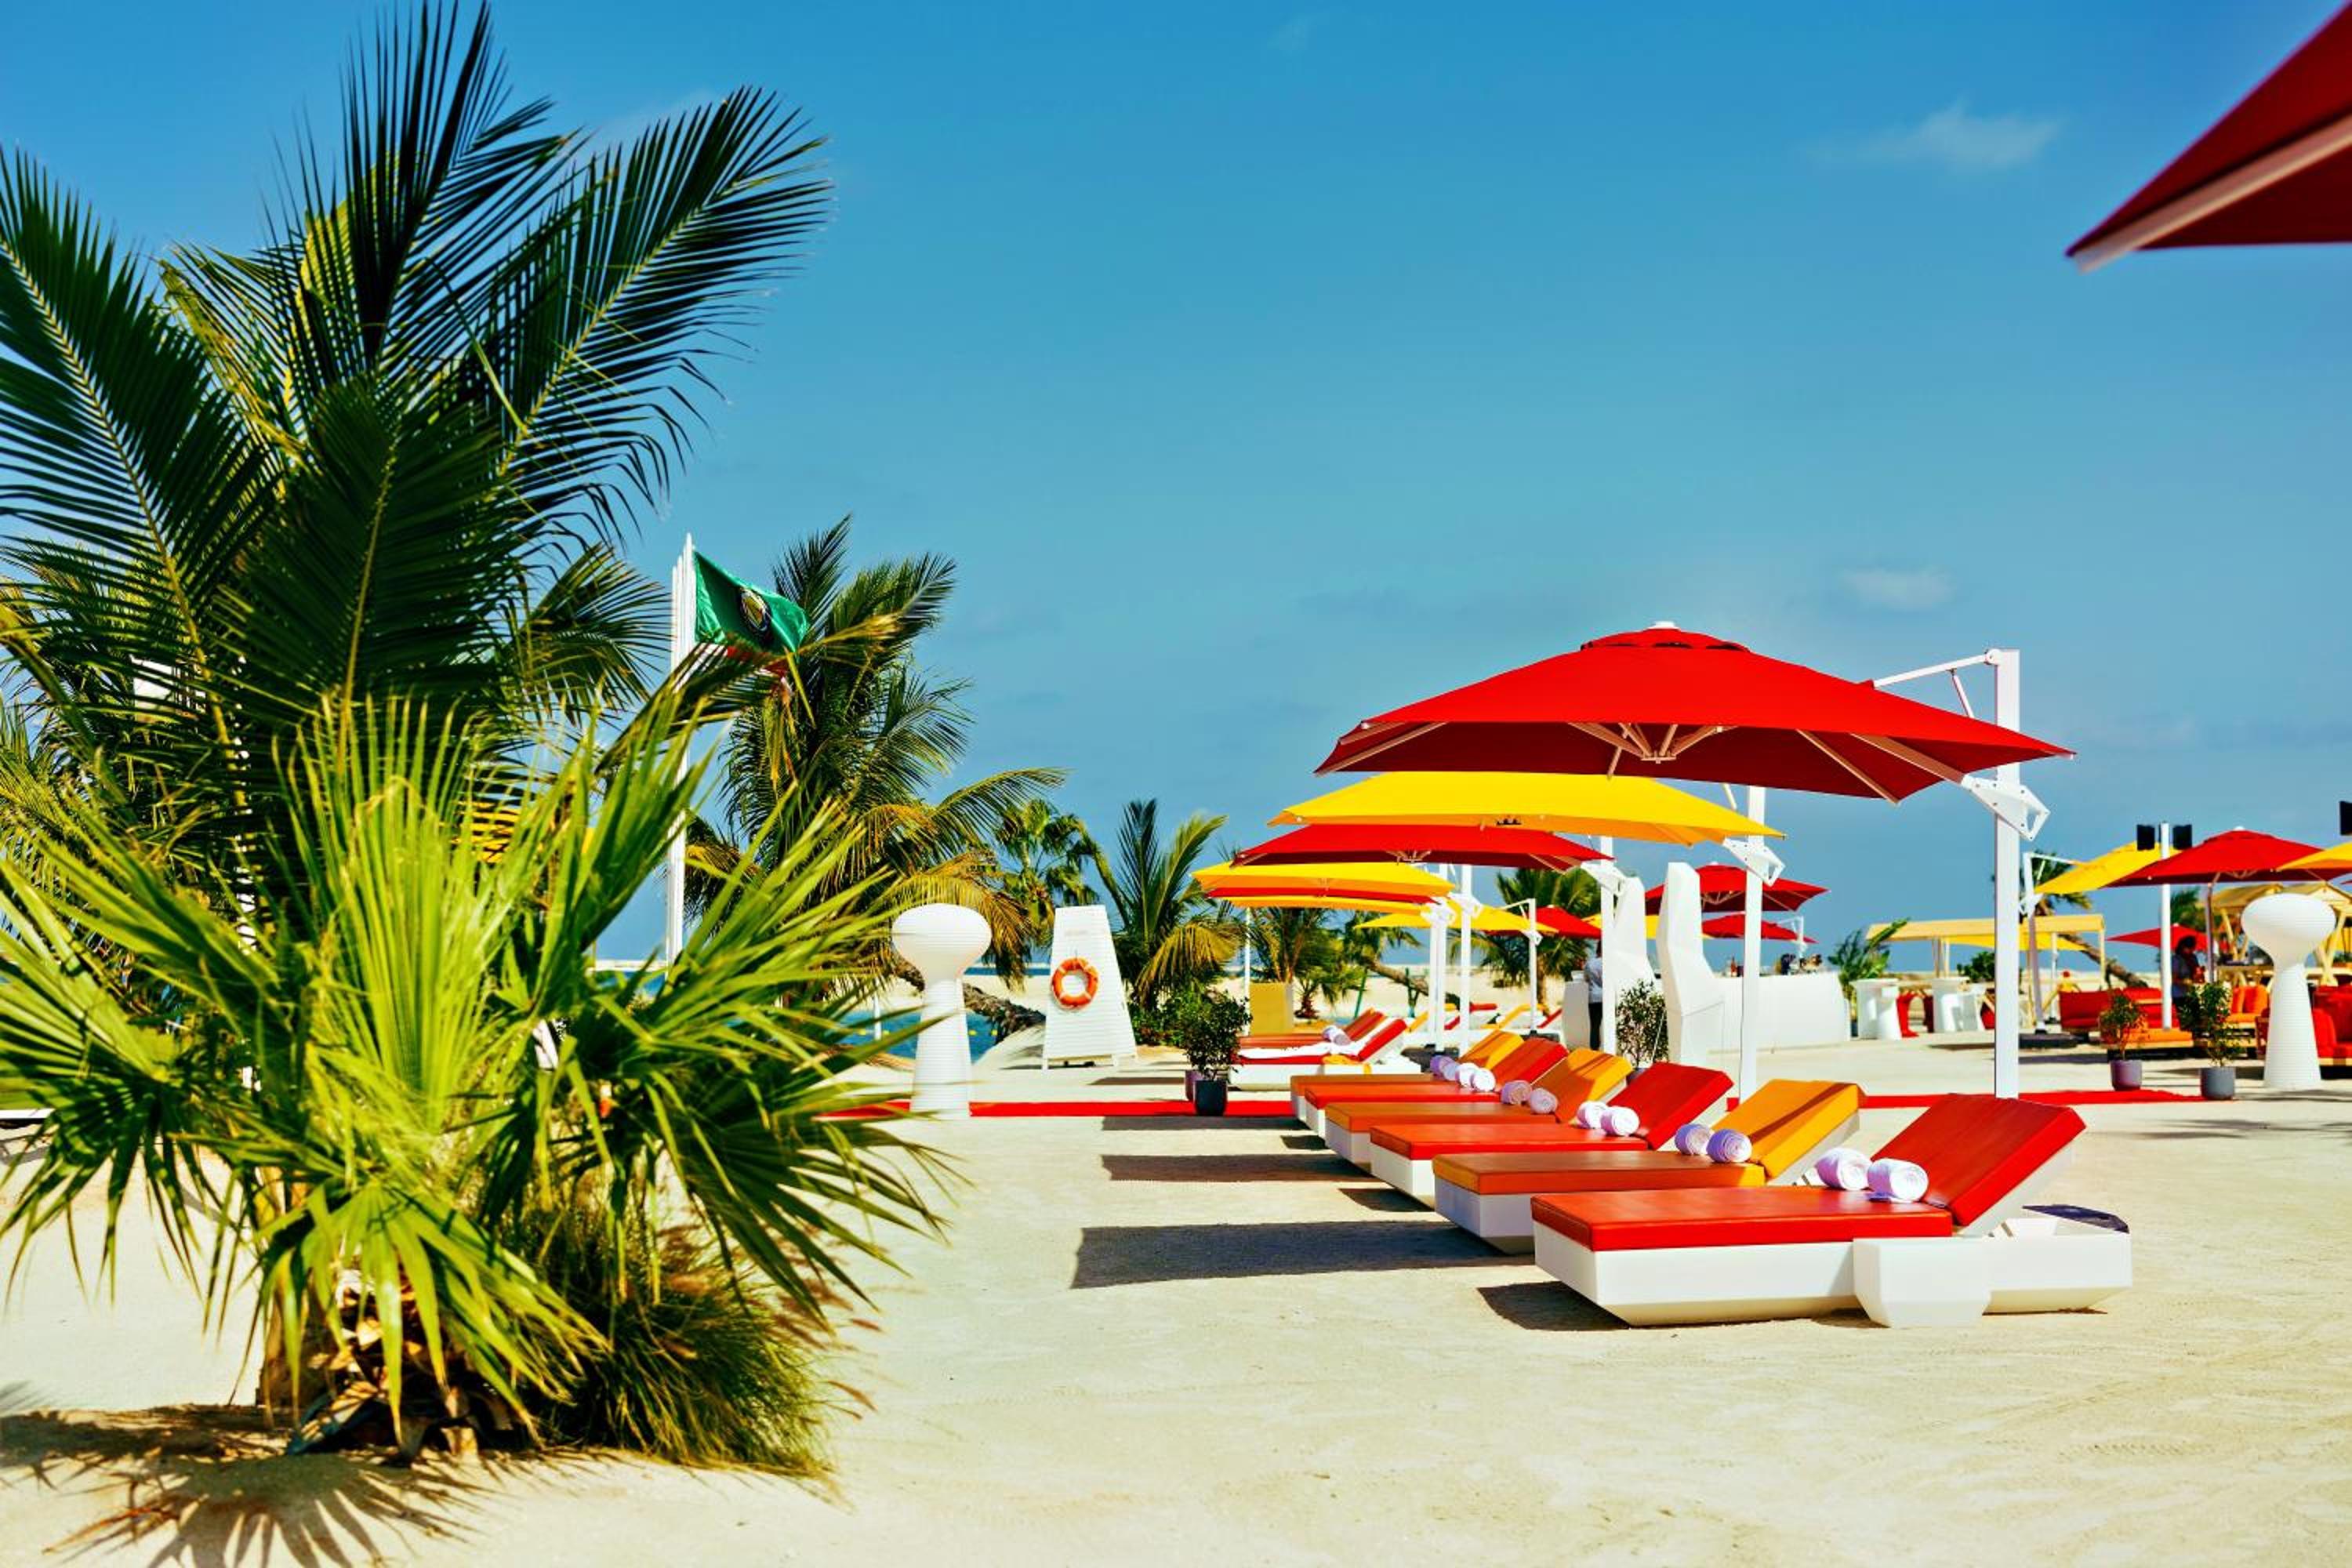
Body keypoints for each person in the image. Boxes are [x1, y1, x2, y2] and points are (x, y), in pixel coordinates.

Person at [2171, 934, 2203, 1020]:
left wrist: (2199, 973)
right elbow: (2174, 979)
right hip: (2179, 995)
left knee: (2197, 1017)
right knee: (2184, 1019)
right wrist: (2185, 982)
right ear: (2183, 947)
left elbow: (2197, 975)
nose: (2192, 951)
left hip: (2191, 993)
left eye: (2193, 948)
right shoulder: (2176, 959)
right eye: (2189, 948)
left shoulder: (2193, 958)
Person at [1582, 950, 1604, 1045]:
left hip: (1593, 997)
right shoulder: (1608, 962)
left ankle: (1595, 1047)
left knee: (1595, 1025)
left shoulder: (1590, 963)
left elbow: (1586, 979)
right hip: (1607, 997)